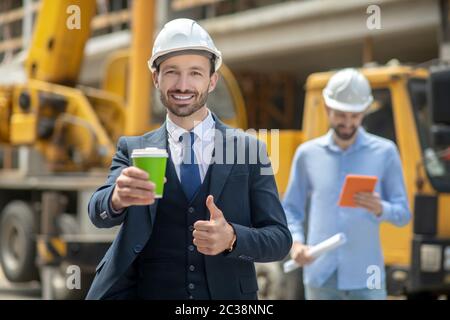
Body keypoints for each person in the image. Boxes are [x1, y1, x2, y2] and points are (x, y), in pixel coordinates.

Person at [86, 18, 292, 300]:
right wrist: (117, 198)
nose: (183, 85)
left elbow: (280, 239)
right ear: (155, 78)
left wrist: (232, 237)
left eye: (195, 73)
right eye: (172, 72)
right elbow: (97, 213)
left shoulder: (249, 150)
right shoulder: (133, 148)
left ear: (212, 80)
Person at [283, 68, 411, 300]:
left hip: (367, 276)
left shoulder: (385, 152)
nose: (348, 123)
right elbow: (291, 209)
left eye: (355, 116)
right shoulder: (307, 154)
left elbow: (403, 214)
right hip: (320, 274)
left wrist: (380, 208)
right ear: (327, 108)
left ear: (364, 112)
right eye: (341, 115)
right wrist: (297, 244)